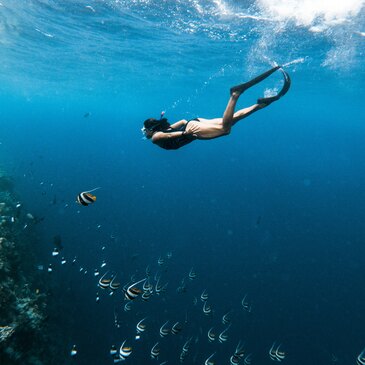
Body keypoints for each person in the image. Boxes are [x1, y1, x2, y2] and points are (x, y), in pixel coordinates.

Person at [142, 65, 291, 150]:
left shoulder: (155, 137)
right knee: (231, 120)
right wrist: (184, 130)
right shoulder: (159, 131)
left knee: (225, 130)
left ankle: (235, 94)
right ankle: (259, 105)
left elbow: (166, 136)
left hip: (192, 129)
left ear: (150, 130)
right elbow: (181, 122)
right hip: (193, 123)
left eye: (145, 131)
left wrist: (185, 133)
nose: (145, 134)